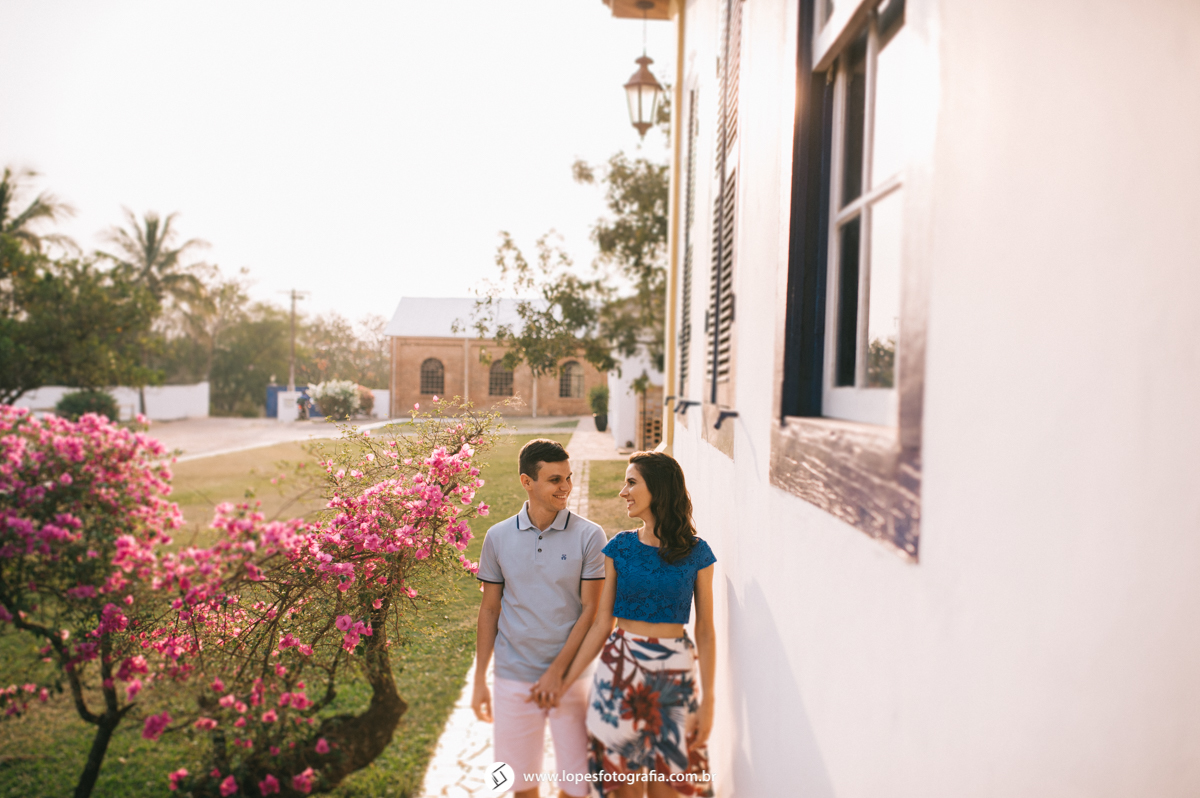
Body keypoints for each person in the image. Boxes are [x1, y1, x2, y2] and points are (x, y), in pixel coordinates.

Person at [561, 451, 716, 798]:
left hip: (674, 675)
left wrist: (709, 700)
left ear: (658, 489)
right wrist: (566, 681)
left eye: (631, 482)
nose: (623, 491)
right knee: (624, 788)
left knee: (669, 788)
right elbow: (602, 623)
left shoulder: (697, 553)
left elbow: (705, 630)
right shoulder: (621, 547)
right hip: (620, 670)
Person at [473, 438, 608, 798]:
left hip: (574, 679)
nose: (565, 487)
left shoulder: (590, 536)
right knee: (520, 785)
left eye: (568, 478)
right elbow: (489, 610)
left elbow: (590, 612)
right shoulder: (497, 537)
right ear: (526, 482)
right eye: (554, 480)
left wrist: (557, 672)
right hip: (513, 677)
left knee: (578, 786)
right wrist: (480, 680)